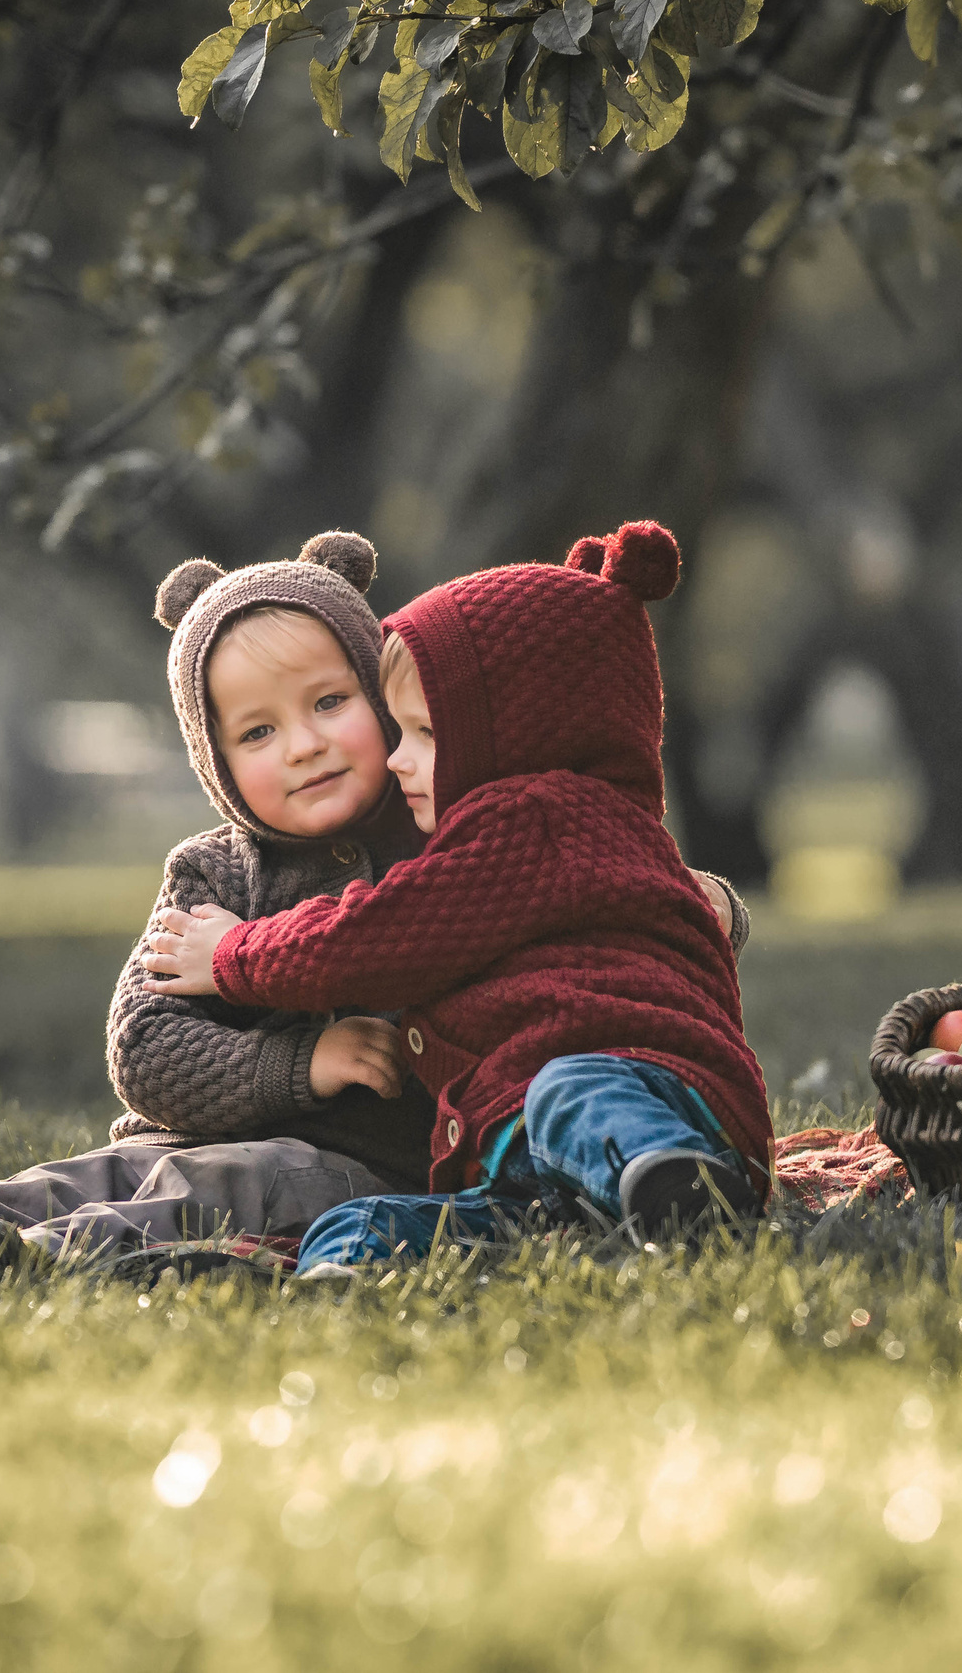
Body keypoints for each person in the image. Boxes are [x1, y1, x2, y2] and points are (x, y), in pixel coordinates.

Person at [0, 532, 747, 1269]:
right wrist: (296, 1062)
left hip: (355, 1163)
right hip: (194, 1127)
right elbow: (149, 1048)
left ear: (389, 700)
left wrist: (674, 897)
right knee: (91, 1176)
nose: (300, 745)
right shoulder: (213, 876)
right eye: (254, 733)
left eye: (332, 704)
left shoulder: (438, 831)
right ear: (211, 756)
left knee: (198, 1199)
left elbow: (553, 899)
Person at [141, 521, 770, 1271]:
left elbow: (377, 937)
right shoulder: (222, 866)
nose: (399, 756)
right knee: (367, 1219)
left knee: (569, 1089)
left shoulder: (531, 818)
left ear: (513, 732)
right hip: (526, 1173)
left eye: (424, 733)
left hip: (651, 1096)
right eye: (396, 728)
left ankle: (684, 1189)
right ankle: (333, 1276)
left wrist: (235, 952)